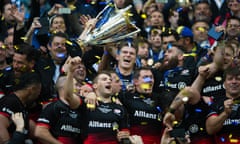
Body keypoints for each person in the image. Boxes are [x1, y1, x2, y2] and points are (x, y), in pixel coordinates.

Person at [63, 56, 130, 144]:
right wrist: (70, 73)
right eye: (104, 79)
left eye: (110, 80)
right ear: (95, 85)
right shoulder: (86, 102)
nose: (109, 81)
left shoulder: (120, 108)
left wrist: (125, 134)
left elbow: (125, 133)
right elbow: (68, 96)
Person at [119, 67, 165, 144]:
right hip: (134, 141)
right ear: (135, 81)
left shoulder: (160, 98)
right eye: (145, 78)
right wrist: (91, 94)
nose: (150, 80)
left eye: (151, 77)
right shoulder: (126, 97)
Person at [35, 76, 87, 144]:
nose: (79, 88)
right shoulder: (53, 107)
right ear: (65, 87)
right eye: (76, 85)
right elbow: (40, 132)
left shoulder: (81, 107)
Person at [0, 72, 41, 143]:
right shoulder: (11, 101)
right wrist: (7, 142)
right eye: (38, 91)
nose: (38, 95)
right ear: (33, 89)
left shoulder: (21, 105)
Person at [206, 66, 240, 143]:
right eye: (230, 79)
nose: (234, 82)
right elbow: (210, 129)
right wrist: (225, 113)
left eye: (238, 79)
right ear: (224, 83)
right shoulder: (215, 102)